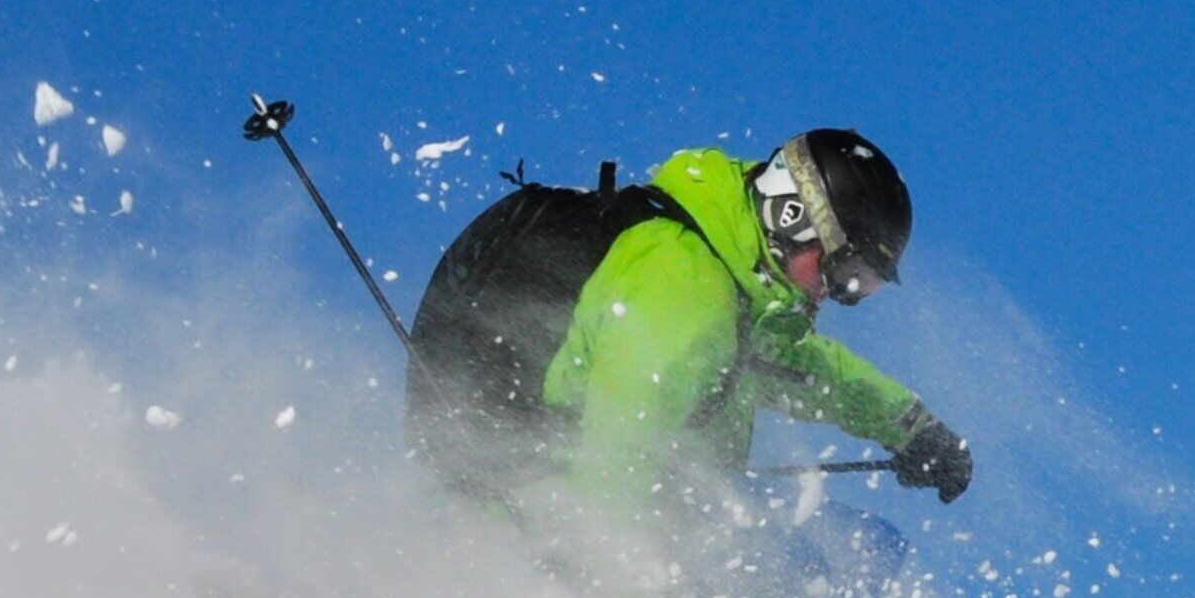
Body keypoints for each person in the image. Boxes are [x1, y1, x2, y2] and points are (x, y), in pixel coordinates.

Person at [405, 129, 973, 521]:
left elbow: (806, 372)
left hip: (599, 520)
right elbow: (612, 473)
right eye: (846, 271)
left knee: (849, 554)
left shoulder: (737, 283)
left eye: (862, 287)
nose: (839, 294)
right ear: (792, 217)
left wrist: (912, 428)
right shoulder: (685, 297)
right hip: (529, 519)